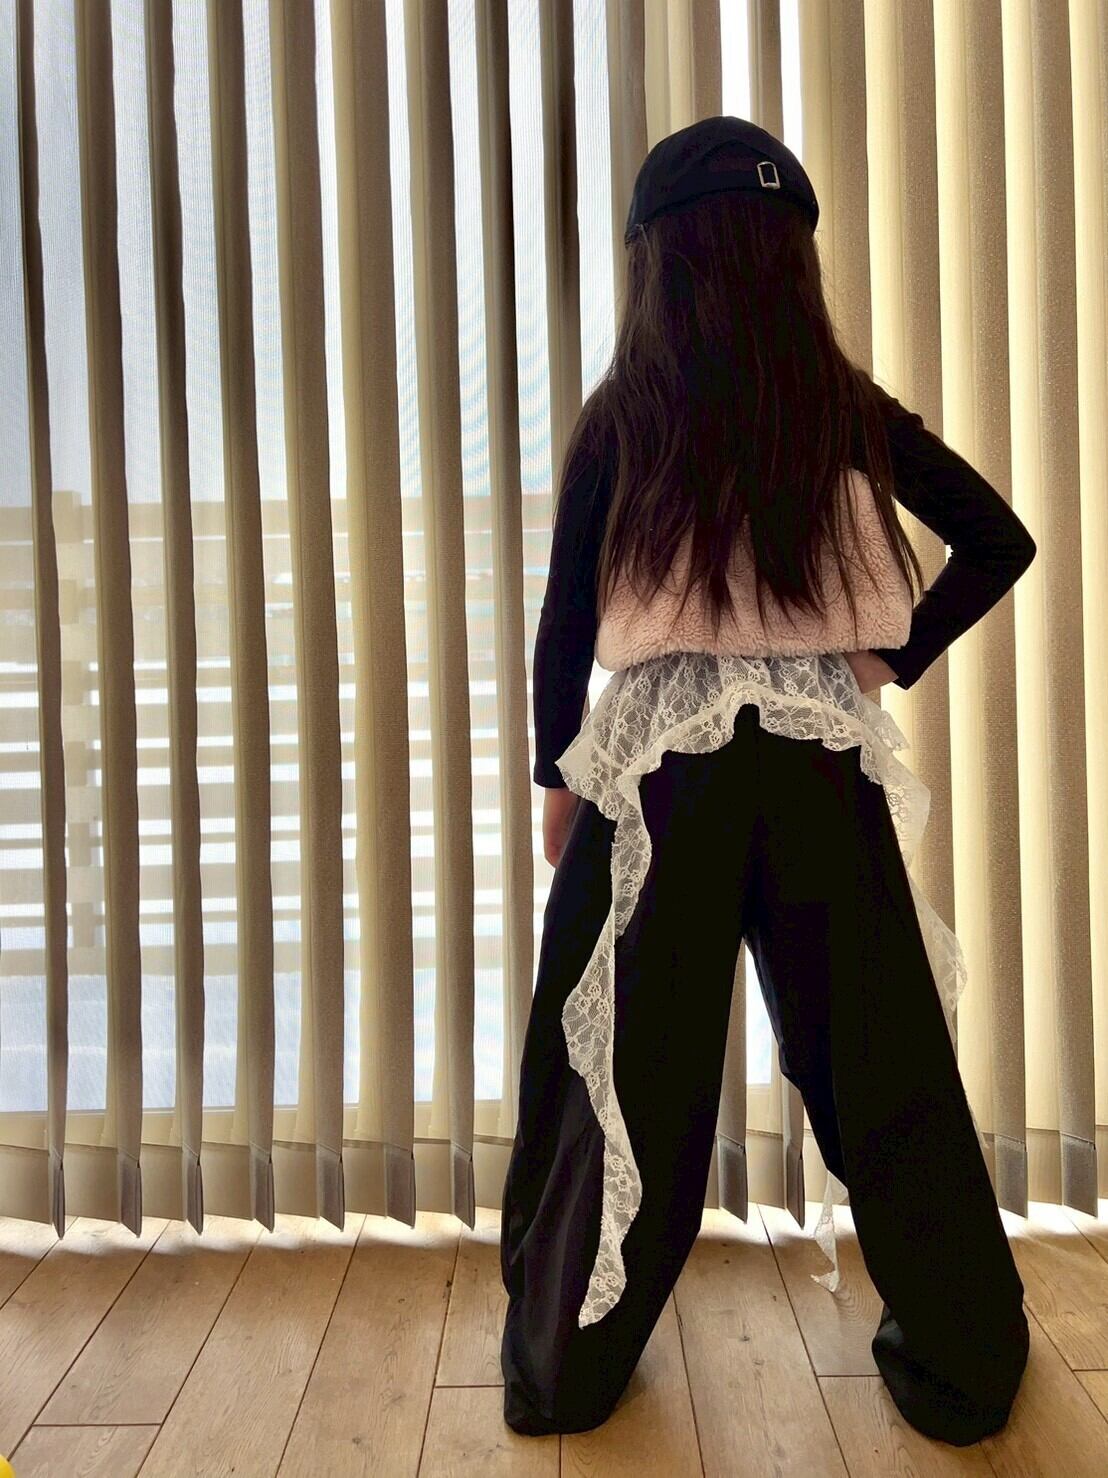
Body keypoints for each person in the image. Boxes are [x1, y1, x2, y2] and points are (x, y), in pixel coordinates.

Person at [499, 115, 1036, 1447]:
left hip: (659, 775)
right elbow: (998, 538)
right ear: (792, 262)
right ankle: (966, 1361)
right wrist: (884, 658)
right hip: (812, 767)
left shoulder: (627, 413)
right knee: (884, 1068)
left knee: (621, 1081)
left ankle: (565, 1366)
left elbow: (566, 619)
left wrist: (558, 773)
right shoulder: (838, 407)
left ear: (656, 264)